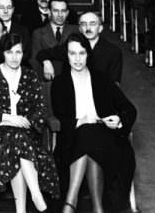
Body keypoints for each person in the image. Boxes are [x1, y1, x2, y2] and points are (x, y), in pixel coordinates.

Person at [50, 34, 136, 213]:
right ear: (66, 55)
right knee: (86, 135)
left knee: (90, 135)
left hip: (106, 140)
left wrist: (119, 121)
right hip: (74, 140)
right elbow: (60, 116)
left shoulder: (101, 79)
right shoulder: (60, 83)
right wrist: (79, 121)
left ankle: (69, 204)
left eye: (81, 53)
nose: (77, 59)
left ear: (88, 55)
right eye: (72, 54)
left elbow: (129, 109)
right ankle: (98, 209)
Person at [0, 30, 59, 213]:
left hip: (27, 136)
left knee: (17, 142)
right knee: (14, 139)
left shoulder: (30, 76)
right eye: (9, 52)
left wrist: (24, 121)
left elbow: (40, 110)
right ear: (2, 53)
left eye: (18, 52)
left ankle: (21, 210)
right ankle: (36, 194)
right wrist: (8, 118)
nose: (14, 57)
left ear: (24, 53)